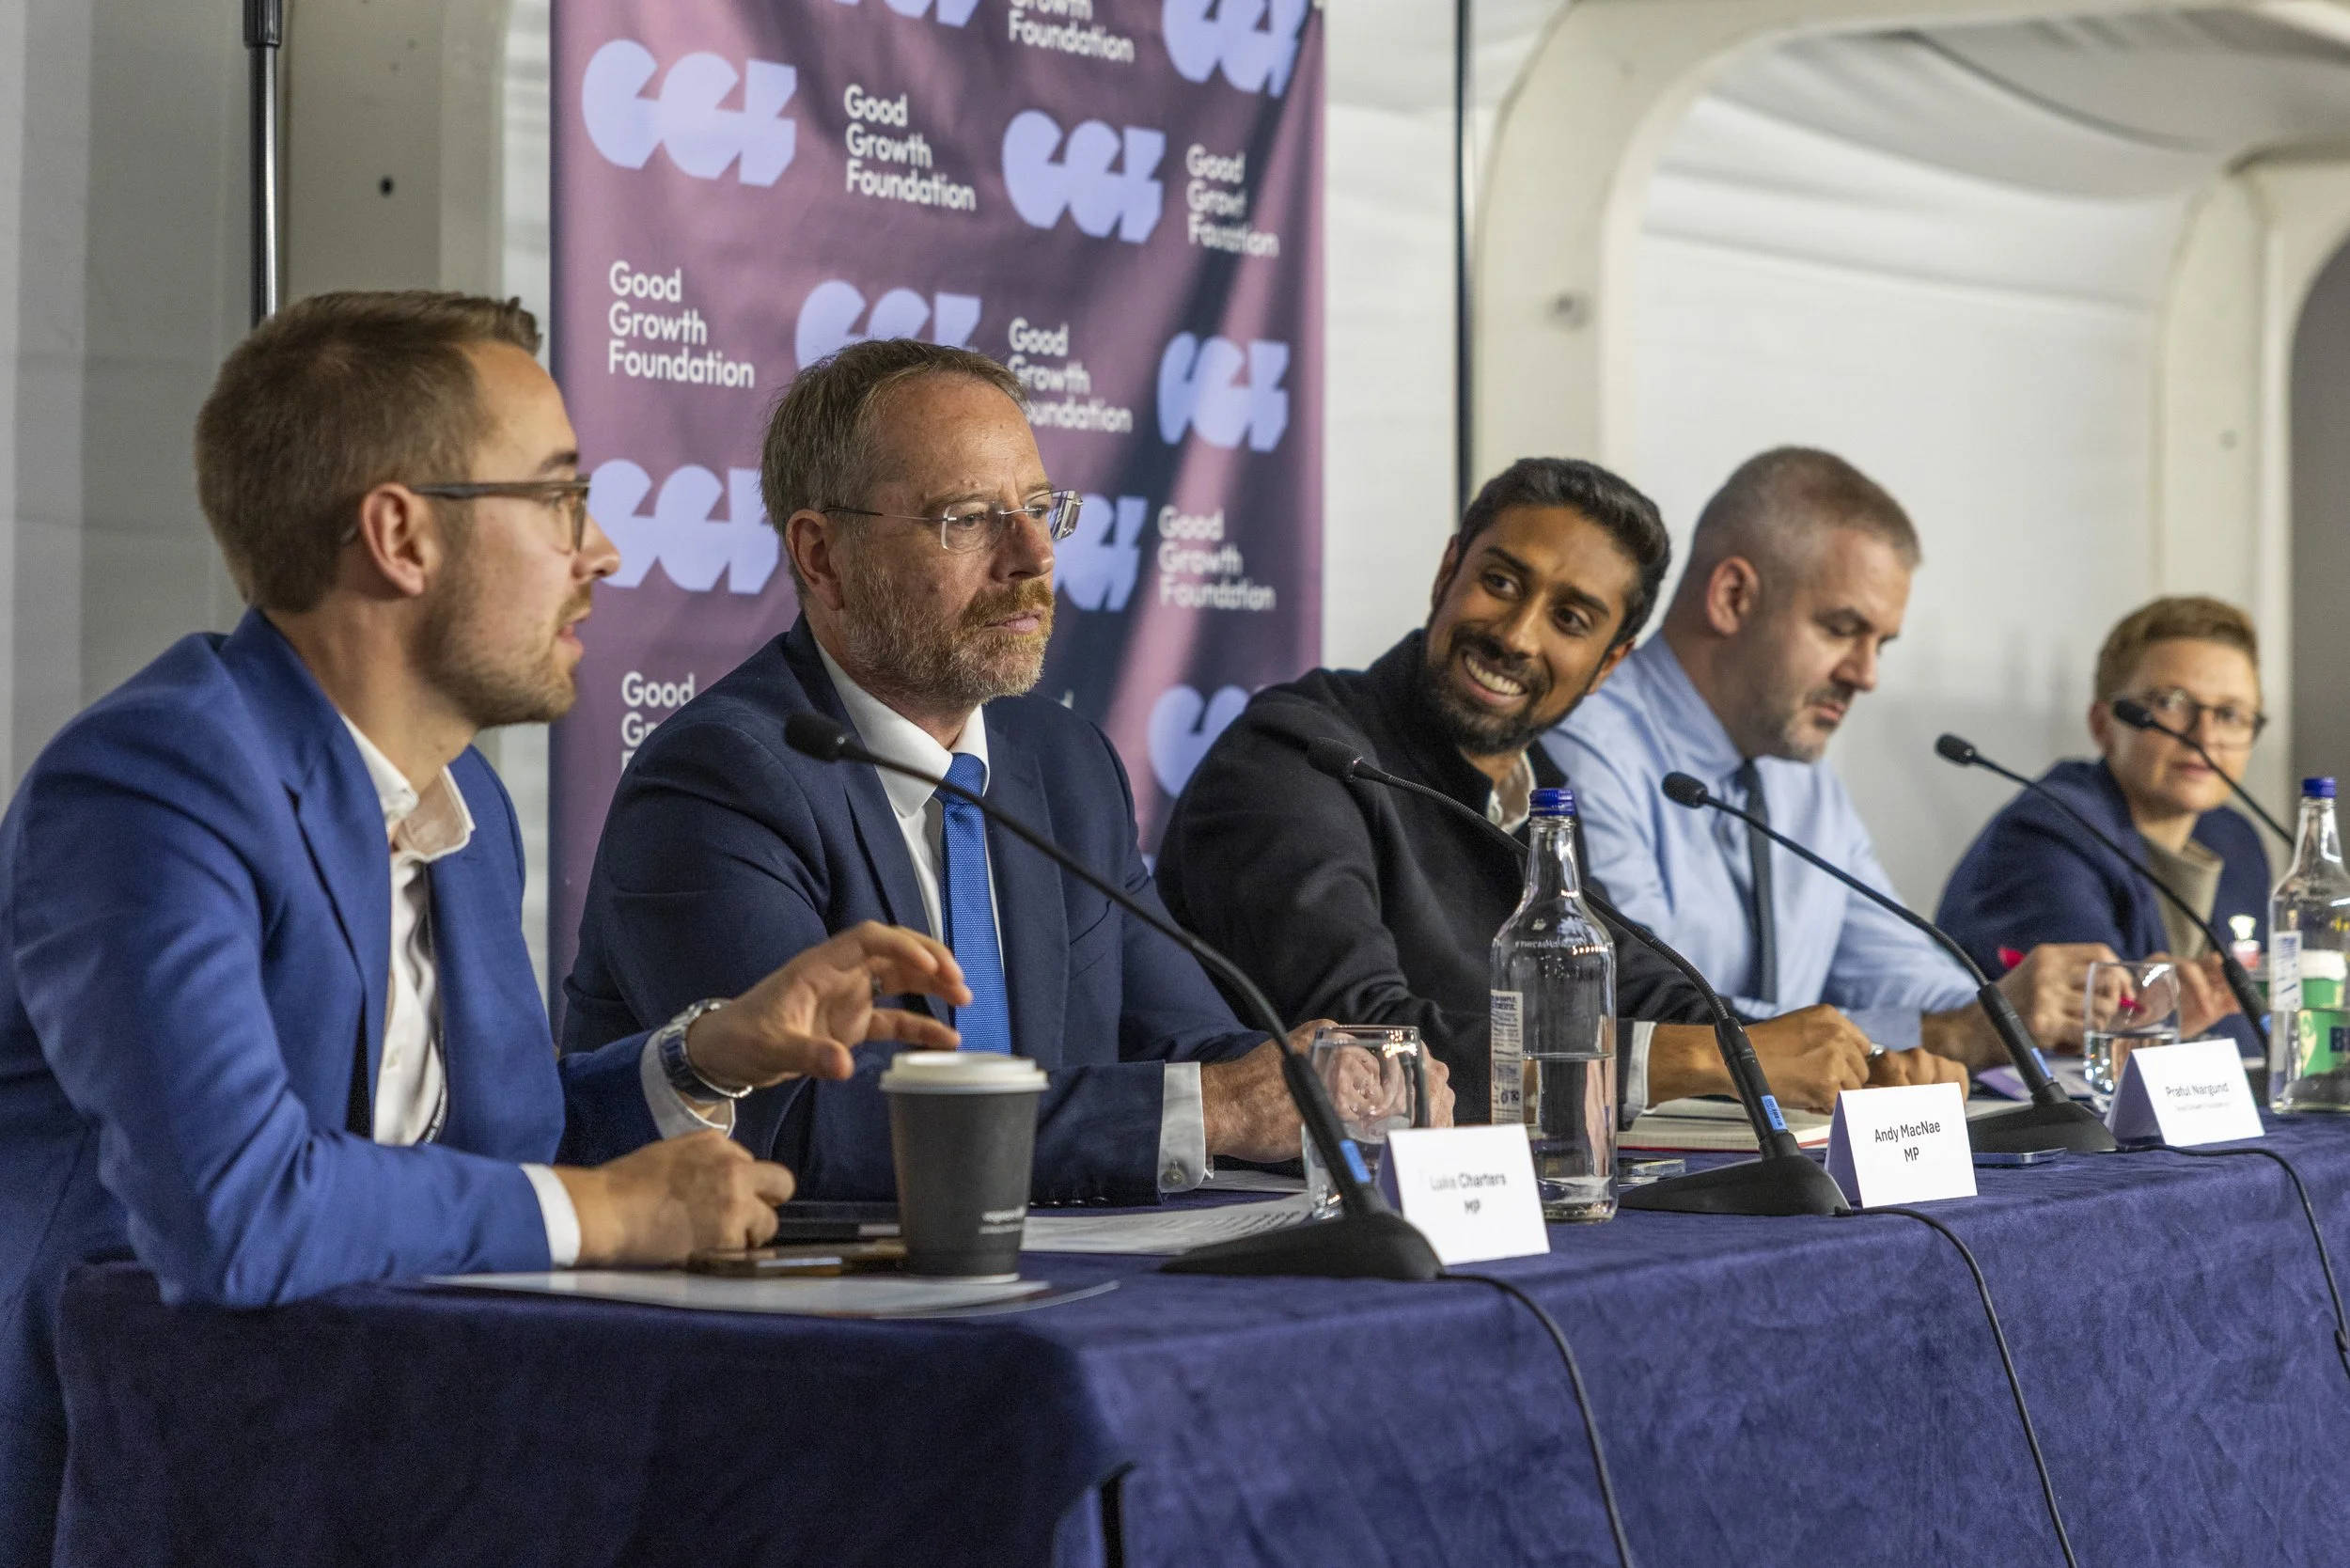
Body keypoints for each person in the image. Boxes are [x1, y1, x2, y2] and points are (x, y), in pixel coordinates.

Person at [0, 292, 973, 1561]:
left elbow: (490, 1153)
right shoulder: (156, 780)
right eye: (561, 498)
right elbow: (236, 1210)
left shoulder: (463, 812)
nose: (604, 551)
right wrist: (606, 1217)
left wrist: (702, 1060)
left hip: (397, 1464)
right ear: (400, 535)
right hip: (144, 1492)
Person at [561, 338, 1369, 1205]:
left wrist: (1334, 1086)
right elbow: (810, 1127)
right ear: (822, 556)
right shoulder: (721, 780)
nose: (1032, 556)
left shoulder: (1065, 767)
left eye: (1038, 508)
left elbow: (1191, 1048)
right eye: (967, 518)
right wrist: (1211, 1112)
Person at [1158, 457, 1964, 1123]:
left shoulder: (1539, 789)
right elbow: (1363, 1046)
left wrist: (1853, 1066)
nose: (1516, 635)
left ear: (1611, 661)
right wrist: (1710, 1057)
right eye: (1503, 583)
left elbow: (1640, 981)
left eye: (1572, 620)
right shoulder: (1300, 756)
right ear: (1449, 569)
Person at [1550, 447, 2109, 1069]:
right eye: (1842, 629)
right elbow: (1645, 1010)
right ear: (1733, 597)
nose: (1866, 676)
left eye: (1881, 644)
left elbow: (1896, 965)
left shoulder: (1801, 776)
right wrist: (1954, 1033)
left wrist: (2026, 1014)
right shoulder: (1580, 744)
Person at [1938, 596, 2265, 1049]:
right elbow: (2095, 1031)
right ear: (2102, 724)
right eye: (2171, 702)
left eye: (2230, 714)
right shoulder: (2048, 834)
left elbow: (2252, 1033)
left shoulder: (2236, 840)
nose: (2205, 736)